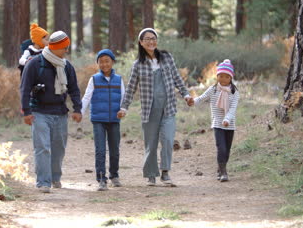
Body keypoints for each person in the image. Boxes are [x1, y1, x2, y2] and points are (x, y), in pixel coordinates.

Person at [117, 28, 193, 186]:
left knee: (167, 140)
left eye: (153, 38)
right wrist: (124, 107)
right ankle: (151, 175)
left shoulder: (166, 58)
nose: (151, 41)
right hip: (149, 110)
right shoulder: (138, 64)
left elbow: (177, 78)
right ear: (141, 42)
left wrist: (185, 94)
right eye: (147, 39)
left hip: (168, 107)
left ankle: (165, 173)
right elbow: (131, 87)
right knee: (150, 144)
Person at [20, 31, 82, 193]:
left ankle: (55, 177)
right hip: (39, 112)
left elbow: (74, 89)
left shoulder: (66, 66)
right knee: (42, 148)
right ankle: (43, 182)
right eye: (64, 47)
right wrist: (26, 111)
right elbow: (25, 89)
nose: (66, 51)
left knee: (59, 148)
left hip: (60, 113)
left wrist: (77, 109)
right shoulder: (34, 64)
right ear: (54, 47)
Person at [81, 49, 125, 191]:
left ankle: (114, 175)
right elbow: (87, 97)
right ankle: (101, 179)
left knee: (115, 150)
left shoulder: (119, 79)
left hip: (114, 119)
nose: (104, 64)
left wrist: (123, 110)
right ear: (98, 64)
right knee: (100, 150)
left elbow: (124, 98)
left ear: (112, 62)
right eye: (101, 61)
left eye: (107, 61)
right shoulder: (93, 79)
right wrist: (80, 111)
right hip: (98, 119)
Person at [191, 59, 239, 182]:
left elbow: (233, 108)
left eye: (226, 77)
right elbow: (201, 98)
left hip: (230, 124)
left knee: (227, 150)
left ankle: (220, 168)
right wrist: (193, 101)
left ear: (231, 77)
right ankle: (223, 172)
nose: (223, 79)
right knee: (221, 148)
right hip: (218, 123)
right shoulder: (213, 90)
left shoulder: (234, 92)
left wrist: (227, 119)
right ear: (217, 76)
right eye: (220, 76)